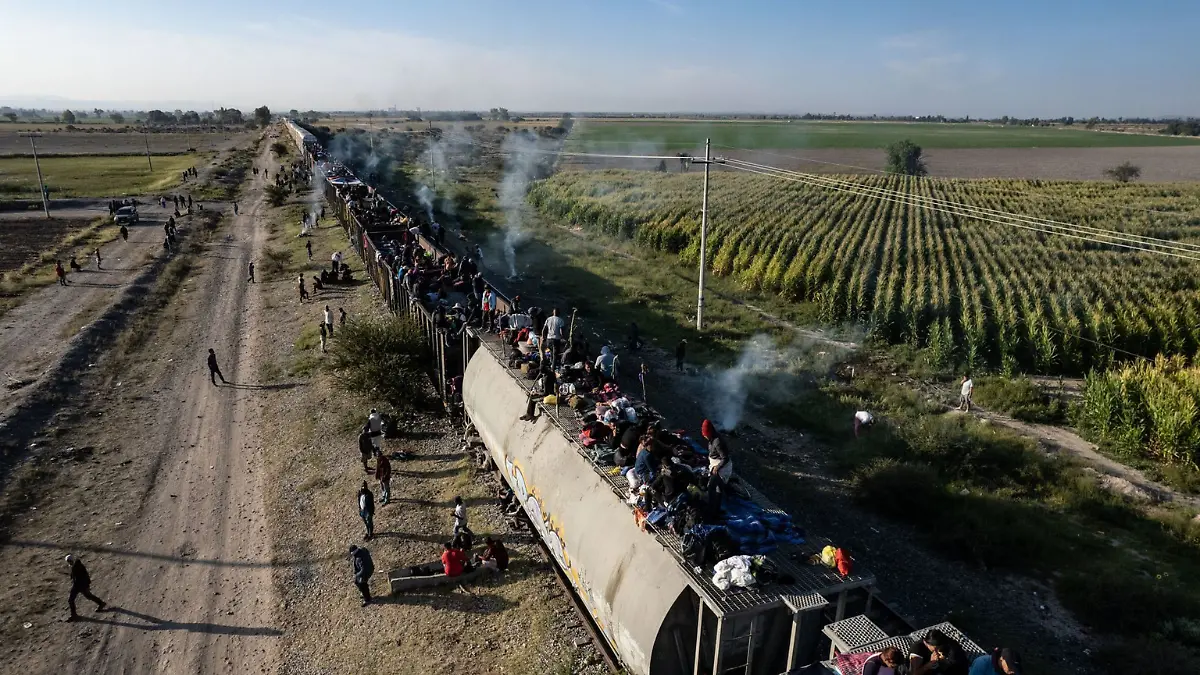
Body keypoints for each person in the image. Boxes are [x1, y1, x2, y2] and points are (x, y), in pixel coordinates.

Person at [702, 419, 732, 512]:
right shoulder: (712, 439)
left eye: (705, 434)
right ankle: (716, 509)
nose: (704, 436)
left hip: (722, 467)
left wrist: (717, 467)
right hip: (715, 463)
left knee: (711, 486)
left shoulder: (717, 442)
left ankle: (711, 508)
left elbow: (725, 458)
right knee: (718, 488)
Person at [64, 554, 106, 621]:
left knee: (88, 596)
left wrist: (86, 585)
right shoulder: (74, 565)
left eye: (69, 561)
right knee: (71, 600)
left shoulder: (79, 566)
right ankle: (73, 615)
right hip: (77, 585)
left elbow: (85, 576)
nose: (69, 563)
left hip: (82, 585)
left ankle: (101, 603)